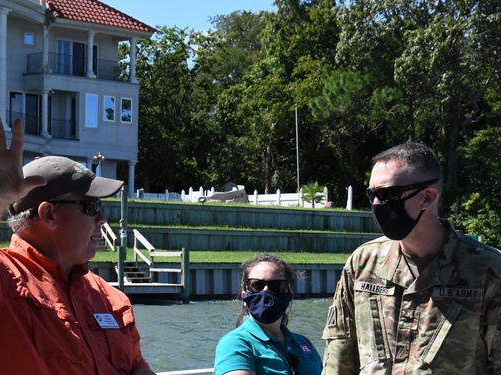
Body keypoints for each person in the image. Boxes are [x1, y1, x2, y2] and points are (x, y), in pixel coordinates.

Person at [0, 109, 155, 375]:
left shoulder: (110, 298)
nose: (102, 218)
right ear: (49, 214)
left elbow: (136, 366)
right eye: (91, 206)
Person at [321, 142, 501, 374]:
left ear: (427, 197)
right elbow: (339, 356)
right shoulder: (363, 263)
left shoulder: (488, 270)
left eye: (388, 194)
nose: (377, 204)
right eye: (372, 195)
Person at [214, 253, 323, 375]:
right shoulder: (234, 343)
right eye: (257, 285)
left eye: (276, 286)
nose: (266, 291)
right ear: (244, 297)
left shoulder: (303, 342)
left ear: (288, 298)